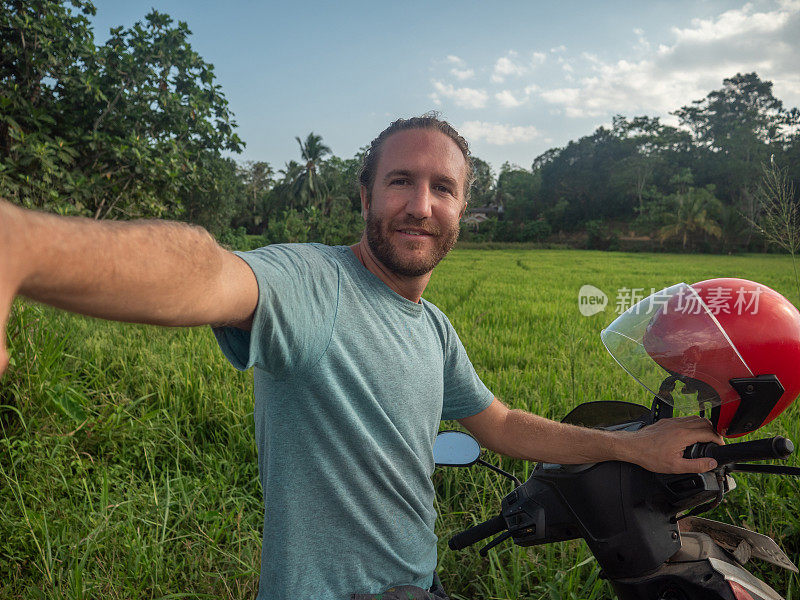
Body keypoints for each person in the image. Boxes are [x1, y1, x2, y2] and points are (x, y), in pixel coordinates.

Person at [0, 114, 723, 600]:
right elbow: (206, 270)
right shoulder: (315, 285)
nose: (420, 204)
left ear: (462, 209)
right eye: (401, 181)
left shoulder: (431, 326)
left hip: (419, 580)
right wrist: (26, 246)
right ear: (366, 194)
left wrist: (634, 449)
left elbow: (498, 423)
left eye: (443, 187)